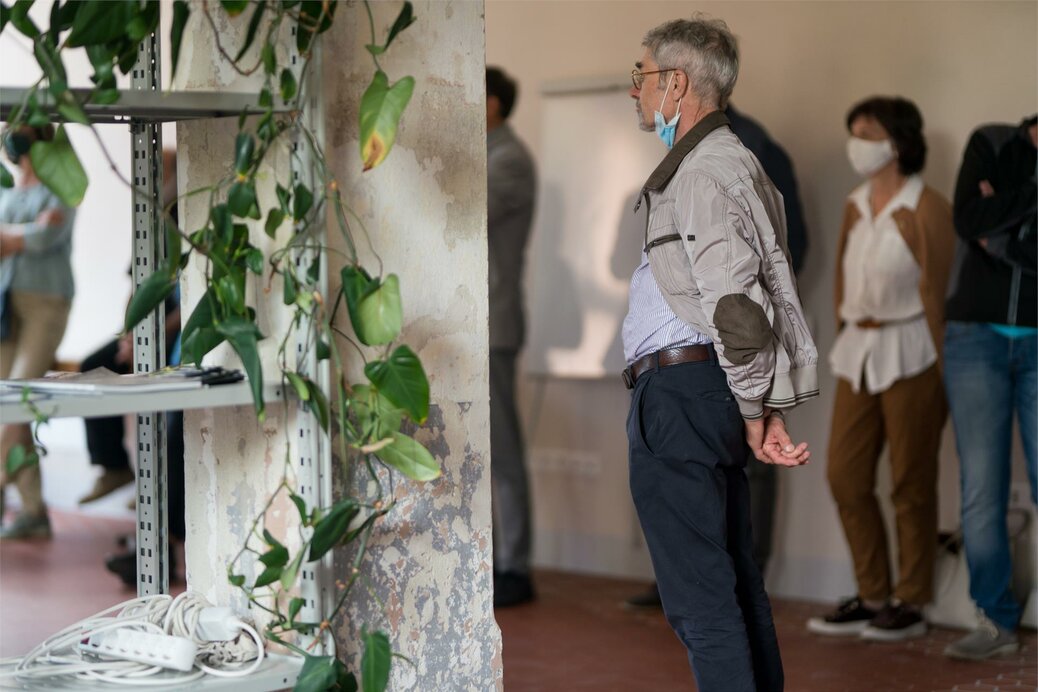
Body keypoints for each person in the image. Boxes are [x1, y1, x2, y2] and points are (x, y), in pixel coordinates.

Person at [624, 17, 816, 690]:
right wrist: (758, 406)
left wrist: (756, 408)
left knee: (701, 603)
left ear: (677, 84)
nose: (635, 89)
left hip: (683, 394)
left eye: (643, 75)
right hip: (705, 390)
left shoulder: (705, 171)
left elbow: (737, 309)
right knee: (732, 585)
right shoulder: (728, 162)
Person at [807, 97, 954, 641]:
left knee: (911, 480)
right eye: (854, 132)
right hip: (858, 351)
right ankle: (872, 594)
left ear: (897, 142)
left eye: (866, 133)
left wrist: (947, 369)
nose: (856, 143)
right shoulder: (855, 203)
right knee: (844, 475)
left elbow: (941, 289)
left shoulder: (927, 207)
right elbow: (844, 282)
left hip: (914, 351)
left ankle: (910, 600)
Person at [941, 115, 1037, 660]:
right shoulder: (992, 142)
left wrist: (997, 237)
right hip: (975, 337)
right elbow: (967, 218)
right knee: (981, 486)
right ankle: (996, 620)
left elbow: (984, 225)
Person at [79, 150, 181, 507]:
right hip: (144, 333)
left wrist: (155, 335)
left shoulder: (189, 220)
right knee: (93, 367)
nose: (151, 183)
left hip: (175, 334)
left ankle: (162, 491)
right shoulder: (151, 223)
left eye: (160, 173)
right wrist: (129, 333)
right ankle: (114, 467)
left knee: (174, 403)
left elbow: (193, 301)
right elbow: (135, 286)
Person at [0, 124, 76, 540]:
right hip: (6, 303)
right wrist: (27, 234)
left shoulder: (60, 185)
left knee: (17, 401)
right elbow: (34, 234)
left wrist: (14, 238)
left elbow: (49, 235)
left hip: (47, 303)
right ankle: (33, 512)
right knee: (7, 404)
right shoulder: (8, 189)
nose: (14, 136)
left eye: (23, 129)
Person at [486, 66, 537, 608]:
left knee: (502, 453)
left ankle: (515, 566)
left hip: (494, 326)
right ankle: (492, 560)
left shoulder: (509, 160)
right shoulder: (488, 155)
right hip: (476, 326)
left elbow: (460, 208)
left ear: (493, 104)